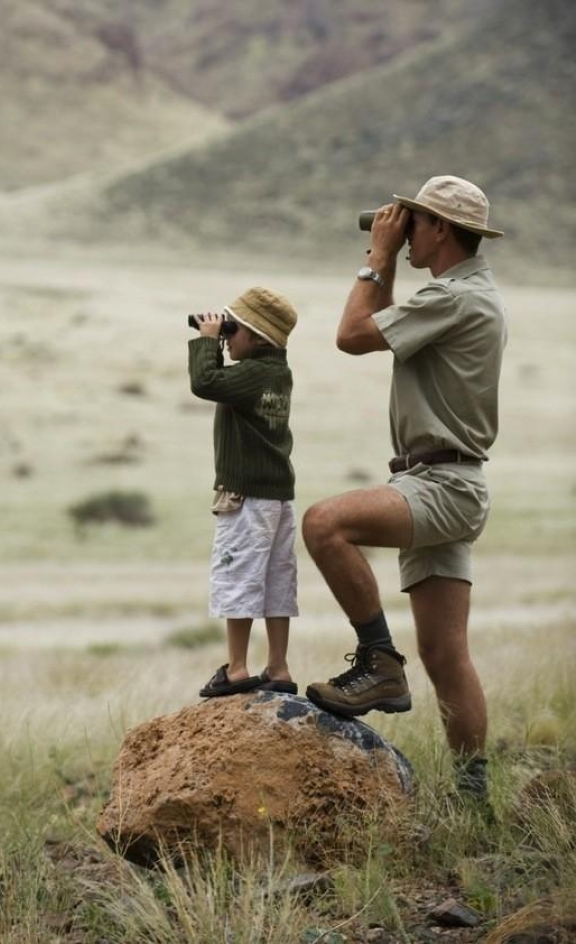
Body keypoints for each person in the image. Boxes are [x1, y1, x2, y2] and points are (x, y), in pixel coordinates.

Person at [302, 175, 507, 802]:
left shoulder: (453, 296)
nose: (403, 232)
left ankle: (378, 664)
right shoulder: (462, 293)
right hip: (444, 479)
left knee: (324, 523)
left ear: (441, 229)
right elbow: (378, 325)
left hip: (442, 484)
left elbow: (352, 335)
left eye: (413, 222)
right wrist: (390, 259)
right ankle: (474, 798)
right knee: (447, 657)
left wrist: (378, 259)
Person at [188, 286, 300, 698]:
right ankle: (279, 666)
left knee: (238, 577)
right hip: (277, 496)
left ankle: (237, 668)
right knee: (276, 581)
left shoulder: (252, 374)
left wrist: (205, 341)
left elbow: (204, 383)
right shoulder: (277, 373)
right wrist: (219, 340)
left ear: (256, 337)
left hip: (246, 496)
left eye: (231, 330)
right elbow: (220, 381)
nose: (225, 337)